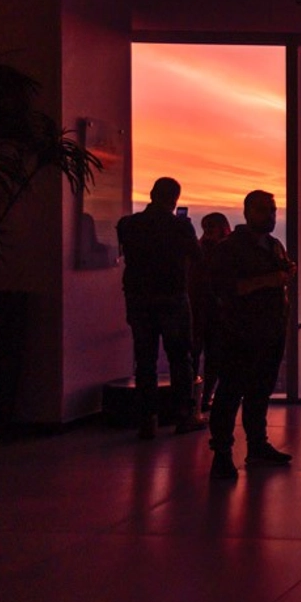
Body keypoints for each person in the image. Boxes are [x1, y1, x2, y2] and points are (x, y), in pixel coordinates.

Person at [207, 190, 296, 480]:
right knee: (231, 392)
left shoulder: (274, 246)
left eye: (272, 210)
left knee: (259, 392)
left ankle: (256, 445)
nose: (270, 216)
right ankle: (222, 452)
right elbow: (226, 289)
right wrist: (270, 280)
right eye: (264, 210)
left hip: (271, 330)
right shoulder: (229, 249)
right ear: (247, 212)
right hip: (239, 333)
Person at [116, 177, 204, 440]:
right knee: (180, 358)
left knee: (145, 360)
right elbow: (197, 257)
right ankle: (184, 416)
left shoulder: (128, 225)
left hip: (138, 298)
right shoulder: (180, 227)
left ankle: (147, 419)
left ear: (152, 194)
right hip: (172, 296)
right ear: (175, 199)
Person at [190, 211, 230, 413]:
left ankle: (196, 401)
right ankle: (203, 399)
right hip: (213, 313)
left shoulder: (198, 251)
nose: (208, 232)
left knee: (203, 357)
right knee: (210, 357)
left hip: (201, 312)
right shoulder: (226, 251)